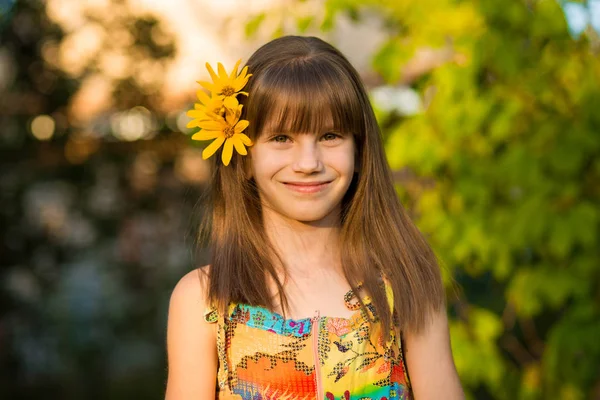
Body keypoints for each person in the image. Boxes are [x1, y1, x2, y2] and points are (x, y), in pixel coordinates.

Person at [165, 35, 464, 400]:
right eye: (281, 138)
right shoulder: (205, 300)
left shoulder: (405, 281)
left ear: (359, 150)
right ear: (244, 157)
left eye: (329, 135)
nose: (309, 163)